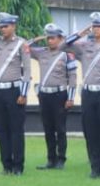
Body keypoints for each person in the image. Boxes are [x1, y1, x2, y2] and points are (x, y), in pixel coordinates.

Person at [67, 14, 100, 178]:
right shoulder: (84, 46)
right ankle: (94, 167)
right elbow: (64, 46)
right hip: (88, 93)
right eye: (94, 26)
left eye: (99, 26)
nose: (96, 29)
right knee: (90, 131)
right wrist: (79, 34)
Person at [26, 24, 76, 170]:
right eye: (48, 38)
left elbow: (72, 77)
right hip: (44, 95)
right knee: (48, 129)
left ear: (61, 39)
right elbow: (24, 48)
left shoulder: (67, 55)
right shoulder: (42, 53)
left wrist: (71, 98)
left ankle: (61, 159)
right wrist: (36, 39)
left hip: (60, 95)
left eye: (53, 38)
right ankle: (51, 159)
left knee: (60, 128)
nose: (50, 41)